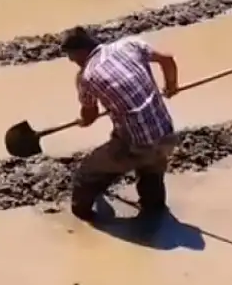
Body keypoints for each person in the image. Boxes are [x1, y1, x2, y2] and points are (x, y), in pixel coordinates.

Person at [61, 26, 180, 235]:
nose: (74, 63)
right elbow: (167, 59)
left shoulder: (86, 77)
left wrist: (83, 120)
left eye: (72, 58)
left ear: (79, 52)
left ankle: (84, 216)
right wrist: (171, 85)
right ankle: (154, 215)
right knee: (151, 172)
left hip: (134, 144)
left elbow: (89, 116)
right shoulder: (129, 45)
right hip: (166, 134)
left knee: (86, 174)